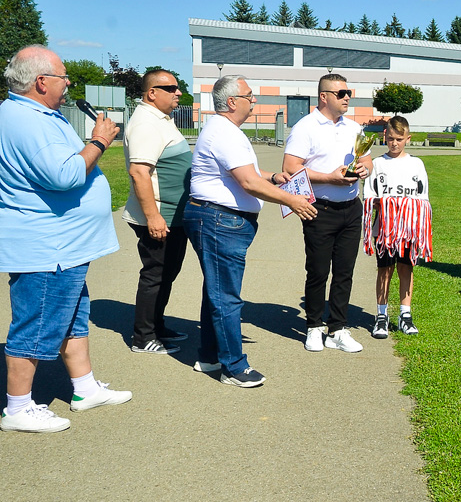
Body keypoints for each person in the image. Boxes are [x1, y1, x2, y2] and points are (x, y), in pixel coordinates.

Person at [0, 45, 131, 433]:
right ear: (41, 81)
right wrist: (101, 140)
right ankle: (18, 407)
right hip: (47, 247)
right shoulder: (25, 120)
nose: (68, 82)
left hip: (64, 245)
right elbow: (65, 175)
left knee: (73, 316)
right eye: (63, 75)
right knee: (36, 322)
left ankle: (84, 387)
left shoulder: (39, 115)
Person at [185, 75, 316, 387]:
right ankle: (233, 367)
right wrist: (292, 200)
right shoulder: (225, 133)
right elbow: (247, 182)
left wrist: (273, 177)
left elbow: (248, 174)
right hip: (219, 221)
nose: (253, 100)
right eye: (249, 95)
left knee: (216, 291)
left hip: (219, 220)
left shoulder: (225, 131)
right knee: (226, 297)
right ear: (232, 102)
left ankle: (210, 355)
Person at [284, 73, 372, 353]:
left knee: (345, 272)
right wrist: (329, 178)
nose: (347, 97)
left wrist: (364, 169)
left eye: (349, 93)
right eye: (341, 93)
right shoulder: (306, 127)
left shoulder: (353, 127)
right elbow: (290, 167)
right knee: (318, 271)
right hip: (319, 209)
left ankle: (338, 328)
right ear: (324, 96)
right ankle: (313, 326)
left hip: (350, 208)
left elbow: (366, 158)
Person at [123, 69, 192, 355]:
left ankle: (157, 326)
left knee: (167, 273)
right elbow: (140, 172)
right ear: (152, 93)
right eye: (171, 88)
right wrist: (153, 217)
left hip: (174, 216)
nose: (178, 92)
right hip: (159, 217)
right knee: (155, 274)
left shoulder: (161, 120)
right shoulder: (145, 124)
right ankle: (143, 337)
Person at [362, 116, 432, 338]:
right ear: (385, 137)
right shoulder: (377, 164)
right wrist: (384, 204)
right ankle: (381, 315)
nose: (394, 143)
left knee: (406, 268)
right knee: (385, 269)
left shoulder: (416, 164)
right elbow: (369, 196)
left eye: (399, 139)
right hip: (384, 229)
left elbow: (423, 199)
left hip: (408, 229)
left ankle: (405, 314)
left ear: (407, 139)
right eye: (391, 138)